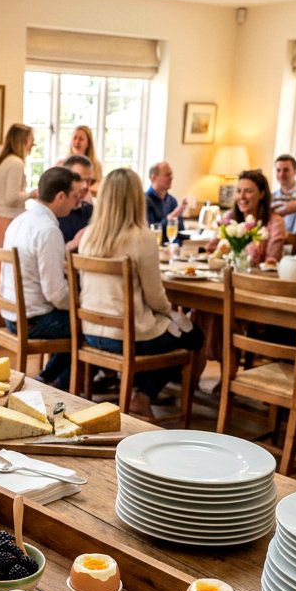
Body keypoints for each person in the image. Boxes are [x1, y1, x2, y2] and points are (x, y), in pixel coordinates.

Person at [77, 168, 204, 418]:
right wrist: (172, 315)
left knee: (165, 329)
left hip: (90, 331)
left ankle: (138, 388)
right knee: (192, 335)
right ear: (136, 198)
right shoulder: (142, 238)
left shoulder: (88, 236)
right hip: (127, 336)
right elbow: (156, 298)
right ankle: (143, 393)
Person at [0, 166, 82, 389]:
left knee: (74, 318)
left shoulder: (19, 221)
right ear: (60, 196)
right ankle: (60, 386)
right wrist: (83, 302)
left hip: (11, 314)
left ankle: (47, 378)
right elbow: (56, 295)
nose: (77, 203)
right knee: (89, 328)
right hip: (33, 322)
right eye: (75, 196)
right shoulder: (48, 230)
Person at [0, 124, 36, 287]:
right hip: (8, 222)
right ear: (23, 141)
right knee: (7, 271)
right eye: (31, 140)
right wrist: (32, 194)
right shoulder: (16, 163)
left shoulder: (2, 162)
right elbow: (11, 198)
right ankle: (8, 311)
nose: (33, 144)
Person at [208, 169, 285, 265]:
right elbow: (211, 249)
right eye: (239, 191)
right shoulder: (229, 217)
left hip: (256, 278)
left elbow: (271, 262)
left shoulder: (275, 222)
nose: (242, 196)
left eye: (248, 191)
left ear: (262, 194)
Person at [145, 162, 189, 247]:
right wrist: (172, 216)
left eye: (171, 174)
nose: (171, 177)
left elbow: (180, 233)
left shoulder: (172, 201)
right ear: (153, 177)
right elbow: (149, 232)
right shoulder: (144, 201)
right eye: (167, 175)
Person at [58, 154, 94, 248]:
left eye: (89, 180)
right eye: (80, 180)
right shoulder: (53, 213)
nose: (86, 186)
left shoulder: (93, 212)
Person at [59, 126, 102, 195]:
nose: (77, 142)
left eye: (81, 139)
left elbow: (100, 187)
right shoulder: (61, 164)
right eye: (74, 138)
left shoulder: (96, 165)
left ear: (88, 143)